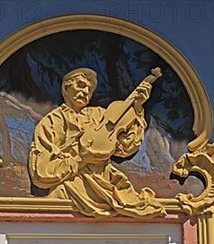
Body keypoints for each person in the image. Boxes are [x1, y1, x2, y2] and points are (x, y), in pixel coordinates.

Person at [28, 67, 164, 217]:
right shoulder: (51, 122)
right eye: (80, 85)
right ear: (66, 88)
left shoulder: (100, 115)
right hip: (71, 188)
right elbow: (41, 172)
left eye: (89, 89)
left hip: (106, 183)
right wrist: (80, 159)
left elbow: (127, 146)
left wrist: (137, 107)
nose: (86, 91)